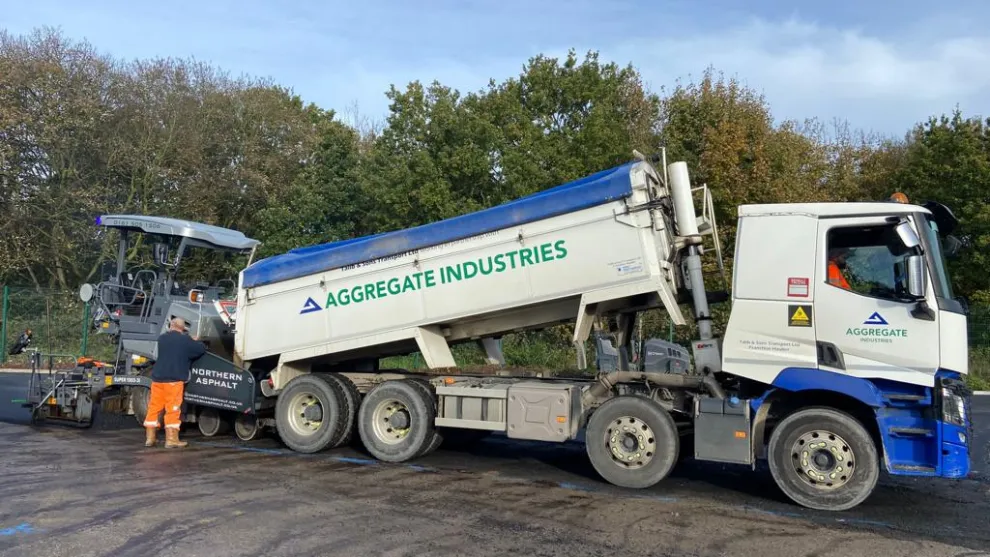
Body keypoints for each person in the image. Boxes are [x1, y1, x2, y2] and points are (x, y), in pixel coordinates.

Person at [144, 317, 207, 448]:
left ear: (171, 325)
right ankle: (171, 439)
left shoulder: (162, 338)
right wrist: (195, 341)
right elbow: (200, 349)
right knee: (172, 409)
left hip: (157, 379)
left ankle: (150, 438)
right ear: (183, 328)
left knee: (154, 407)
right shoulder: (185, 340)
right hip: (173, 381)